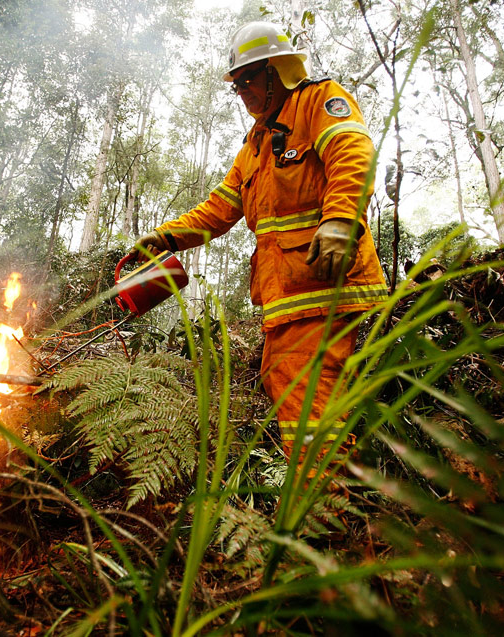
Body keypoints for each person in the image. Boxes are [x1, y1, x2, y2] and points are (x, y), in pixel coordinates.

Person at [128, 21, 388, 485]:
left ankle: (321, 512)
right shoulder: (253, 148)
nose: (242, 91)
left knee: (303, 398)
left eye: (249, 78)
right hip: (284, 298)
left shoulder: (318, 102)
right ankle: (328, 504)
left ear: (279, 71)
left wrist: (341, 220)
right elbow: (218, 210)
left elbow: (354, 151)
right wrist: (164, 238)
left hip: (325, 283)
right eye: (237, 84)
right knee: (290, 389)